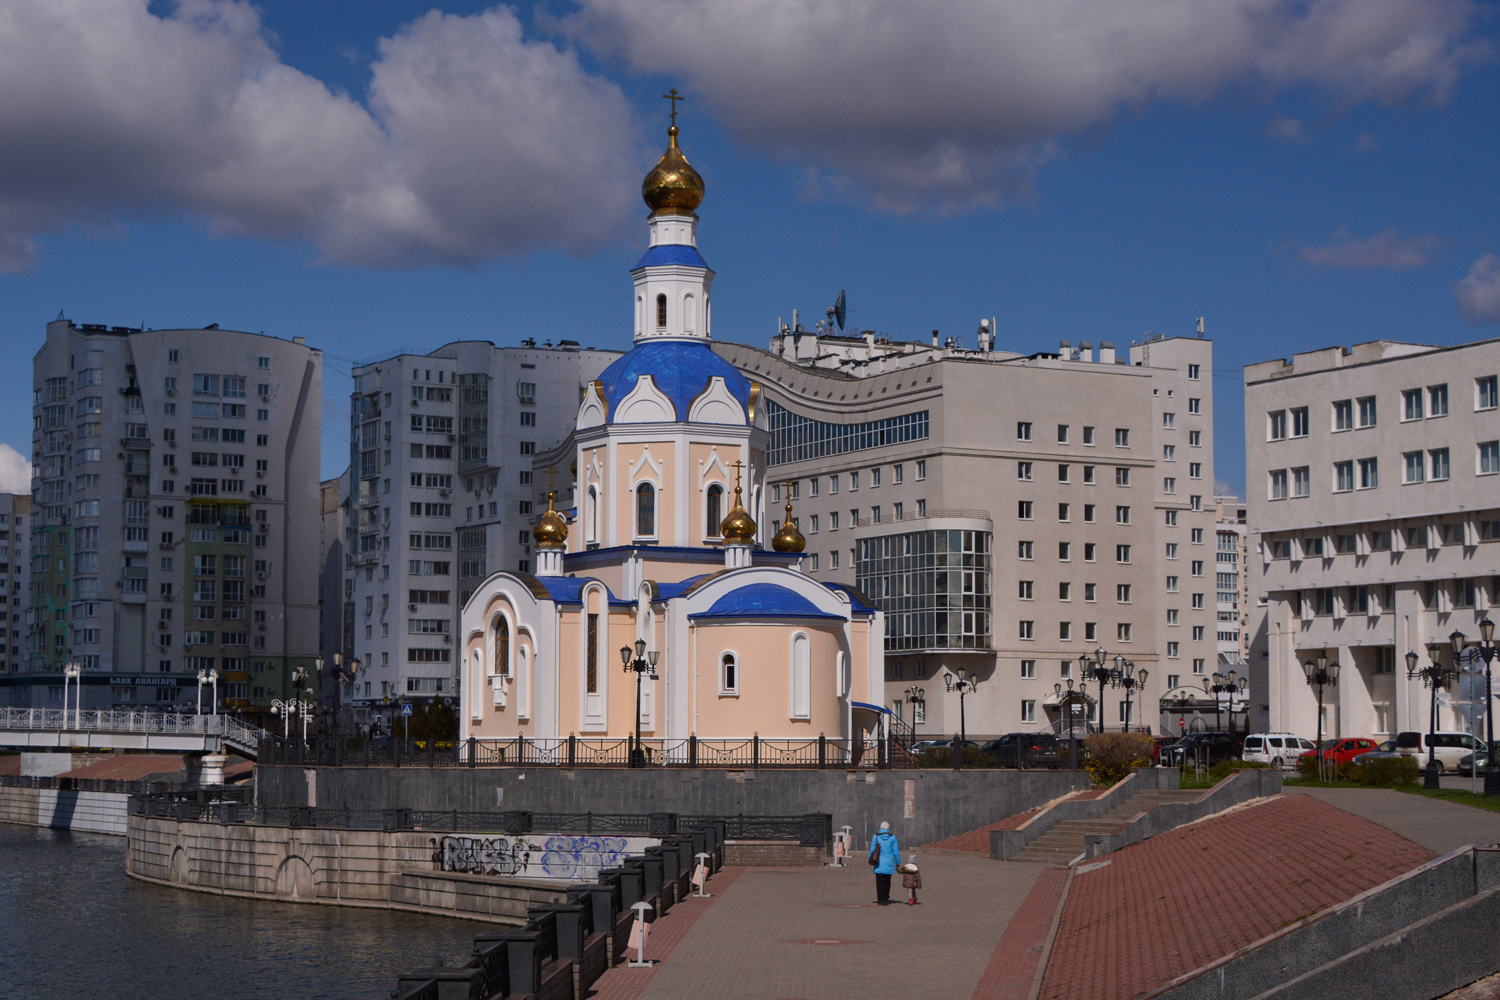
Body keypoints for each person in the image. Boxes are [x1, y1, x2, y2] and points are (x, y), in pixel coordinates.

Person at [869, 821, 900, 905]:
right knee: (887, 881)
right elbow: (896, 851)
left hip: (879, 862)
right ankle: (886, 898)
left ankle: (880, 899)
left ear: (881, 827)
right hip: (889, 862)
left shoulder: (876, 837)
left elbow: (872, 849)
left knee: (879, 882)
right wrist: (898, 863)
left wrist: (870, 859)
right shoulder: (892, 838)